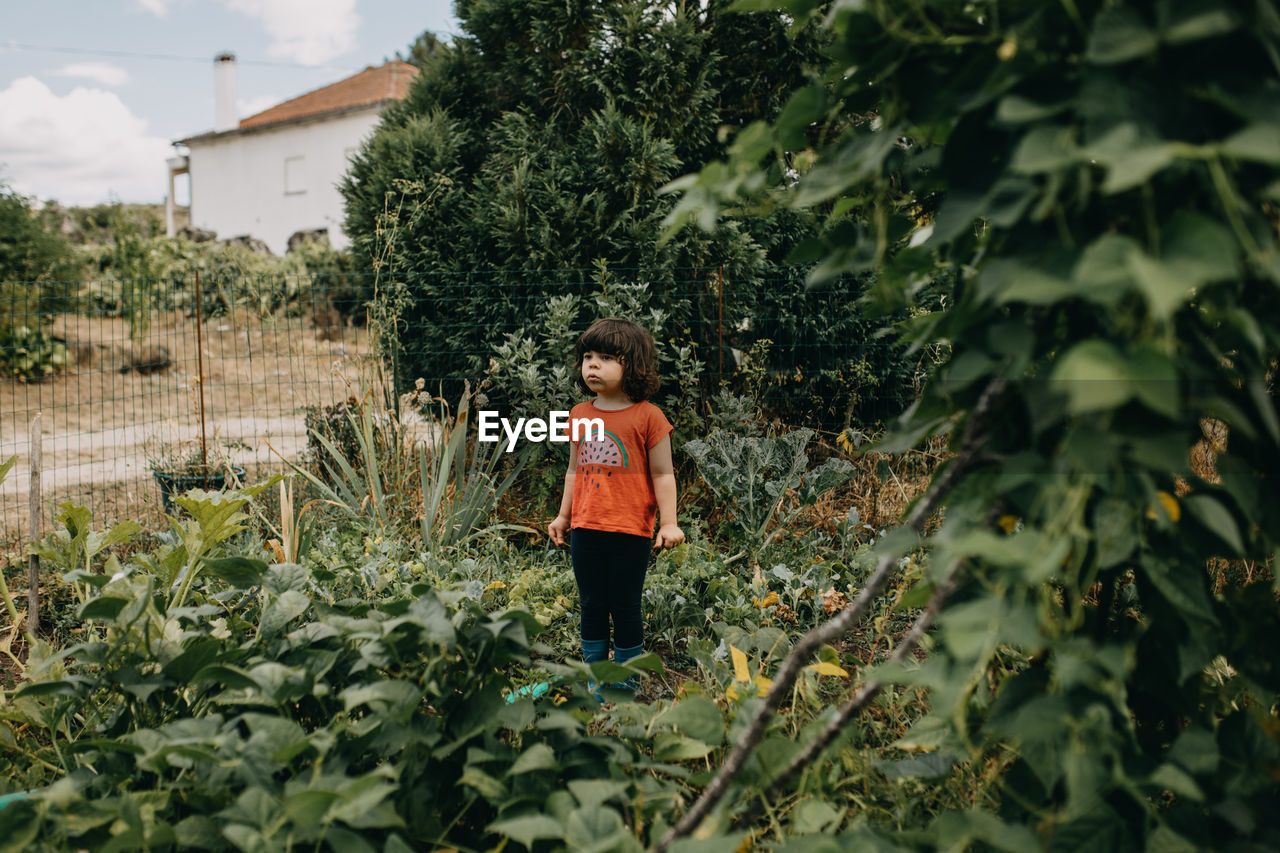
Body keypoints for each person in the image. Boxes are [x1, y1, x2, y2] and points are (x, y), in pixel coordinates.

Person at [547, 317, 684, 696]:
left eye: (606, 357)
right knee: (591, 605)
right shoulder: (579, 415)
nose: (592, 364)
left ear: (633, 365)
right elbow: (574, 471)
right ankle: (597, 677)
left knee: (624, 606)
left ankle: (624, 682)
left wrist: (669, 523)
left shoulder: (649, 417)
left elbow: (664, 475)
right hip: (586, 530)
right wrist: (564, 517)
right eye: (587, 356)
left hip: (630, 532)